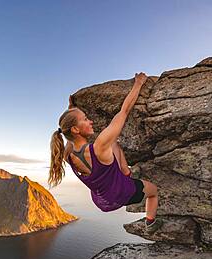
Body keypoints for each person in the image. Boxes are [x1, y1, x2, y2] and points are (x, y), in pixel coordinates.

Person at [48, 72, 163, 234]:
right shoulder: (100, 147)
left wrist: (71, 108)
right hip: (124, 193)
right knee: (154, 192)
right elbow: (124, 112)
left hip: (103, 199)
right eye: (86, 119)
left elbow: (69, 135)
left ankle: (124, 172)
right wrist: (138, 84)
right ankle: (150, 223)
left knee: (114, 144)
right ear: (75, 129)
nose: (91, 121)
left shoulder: (67, 153)